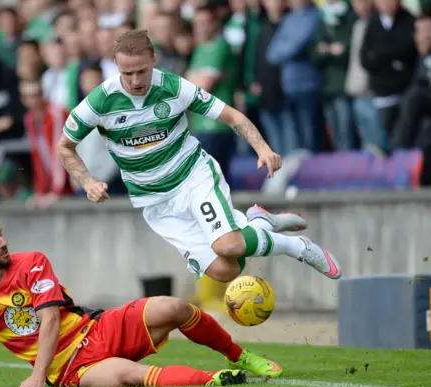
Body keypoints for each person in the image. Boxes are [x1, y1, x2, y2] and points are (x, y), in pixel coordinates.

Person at [56, 30, 342, 284]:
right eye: (126, 73)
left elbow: (230, 115)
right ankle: (260, 224)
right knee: (226, 270)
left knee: (228, 245)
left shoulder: (174, 87)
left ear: (154, 60)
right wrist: (87, 181)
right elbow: (64, 147)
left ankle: (298, 247)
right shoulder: (99, 101)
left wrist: (262, 148)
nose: (134, 80)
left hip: (193, 177)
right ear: (116, 66)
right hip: (155, 203)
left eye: (141, 71)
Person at [0, 212, 282, 387]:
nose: (2, 243)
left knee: (174, 307)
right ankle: (216, 380)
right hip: (68, 370)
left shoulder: (31, 261)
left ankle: (241, 357)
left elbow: (49, 320)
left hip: (96, 328)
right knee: (128, 376)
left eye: (0, 234)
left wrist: (34, 376)